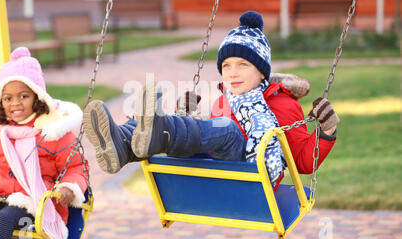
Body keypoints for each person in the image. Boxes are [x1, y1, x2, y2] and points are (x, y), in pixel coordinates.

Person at [82, 11, 339, 189]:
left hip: (253, 175)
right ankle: (121, 144)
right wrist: (188, 118)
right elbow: (205, 140)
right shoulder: (223, 101)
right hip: (216, 173)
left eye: (242, 64)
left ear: (262, 71)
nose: (232, 72)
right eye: (226, 65)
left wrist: (327, 132)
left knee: (222, 129)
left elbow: (303, 161)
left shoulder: (283, 103)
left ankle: (161, 130)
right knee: (182, 124)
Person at [0, 47, 89, 239]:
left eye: (23, 96)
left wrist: (69, 187)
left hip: (32, 202)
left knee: (2, 221)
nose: (15, 103)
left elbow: (77, 168)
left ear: (37, 96)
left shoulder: (53, 131)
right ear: (1, 101)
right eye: (7, 98)